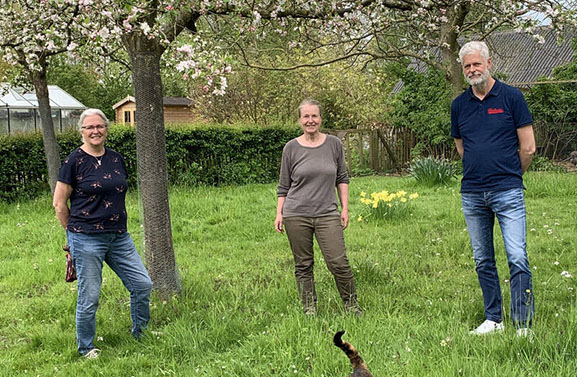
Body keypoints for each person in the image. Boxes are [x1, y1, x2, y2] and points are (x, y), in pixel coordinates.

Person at [451, 41, 535, 337]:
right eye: (467, 66)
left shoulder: (512, 97)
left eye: (476, 64)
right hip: (472, 193)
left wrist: (510, 174)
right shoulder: (459, 105)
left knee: (517, 256)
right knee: (483, 259)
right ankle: (494, 319)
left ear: (489, 64)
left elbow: (528, 147)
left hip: (507, 190)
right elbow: (462, 146)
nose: (472, 70)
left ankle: (523, 323)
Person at [53, 109, 153, 358]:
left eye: (99, 126)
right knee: (90, 296)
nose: (95, 131)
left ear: (106, 129)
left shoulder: (116, 158)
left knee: (142, 284)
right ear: (82, 131)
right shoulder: (73, 162)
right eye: (89, 127)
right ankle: (86, 347)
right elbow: (59, 203)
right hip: (86, 238)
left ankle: (142, 332)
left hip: (119, 236)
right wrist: (73, 235)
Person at [275, 99, 360, 316]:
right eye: (306, 117)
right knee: (303, 264)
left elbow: (342, 177)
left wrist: (344, 208)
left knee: (338, 262)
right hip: (296, 214)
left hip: (327, 213)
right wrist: (279, 213)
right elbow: (284, 185)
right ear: (300, 120)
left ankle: (351, 306)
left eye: (314, 116)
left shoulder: (333, 144)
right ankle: (309, 309)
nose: (310, 121)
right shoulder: (291, 148)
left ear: (320, 119)